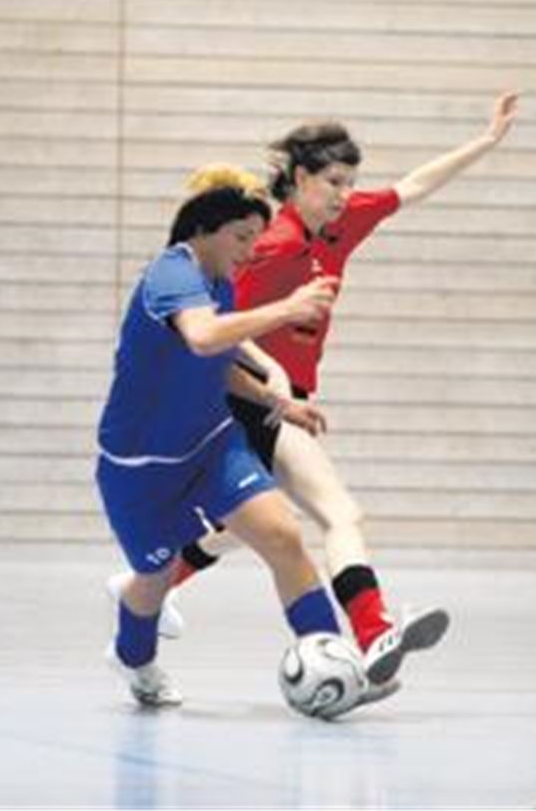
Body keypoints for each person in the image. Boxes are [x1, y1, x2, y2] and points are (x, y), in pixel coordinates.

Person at [117, 90, 521, 687]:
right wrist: (275, 388)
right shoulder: (269, 245)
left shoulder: (343, 223)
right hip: (241, 402)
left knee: (242, 530)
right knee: (335, 513)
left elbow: (413, 186)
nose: (344, 193)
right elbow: (218, 331)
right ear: (300, 178)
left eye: (350, 181)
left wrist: (484, 142)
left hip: (285, 401)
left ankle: (144, 588)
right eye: (333, 181)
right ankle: (372, 629)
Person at [99, 165, 384, 709]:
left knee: (282, 533)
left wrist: (277, 399)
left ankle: (333, 660)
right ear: (203, 229)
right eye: (242, 237)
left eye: (257, 238)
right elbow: (205, 338)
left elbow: (219, 365)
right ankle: (133, 658)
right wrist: (288, 308)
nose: (251, 249)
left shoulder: (218, 283)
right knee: (151, 583)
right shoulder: (171, 274)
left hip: (211, 445)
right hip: (140, 468)